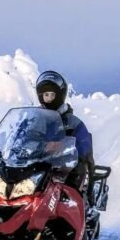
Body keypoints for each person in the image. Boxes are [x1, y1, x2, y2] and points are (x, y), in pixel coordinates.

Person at [35, 70, 94, 204]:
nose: (49, 98)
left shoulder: (73, 122)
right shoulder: (34, 119)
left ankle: (73, 204)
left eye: (52, 95)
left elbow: (83, 146)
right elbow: (21, 135)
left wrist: (67, 148)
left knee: (78, 167)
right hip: (38, 163)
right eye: (46, 95)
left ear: (60, 95)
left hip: (63, 167)